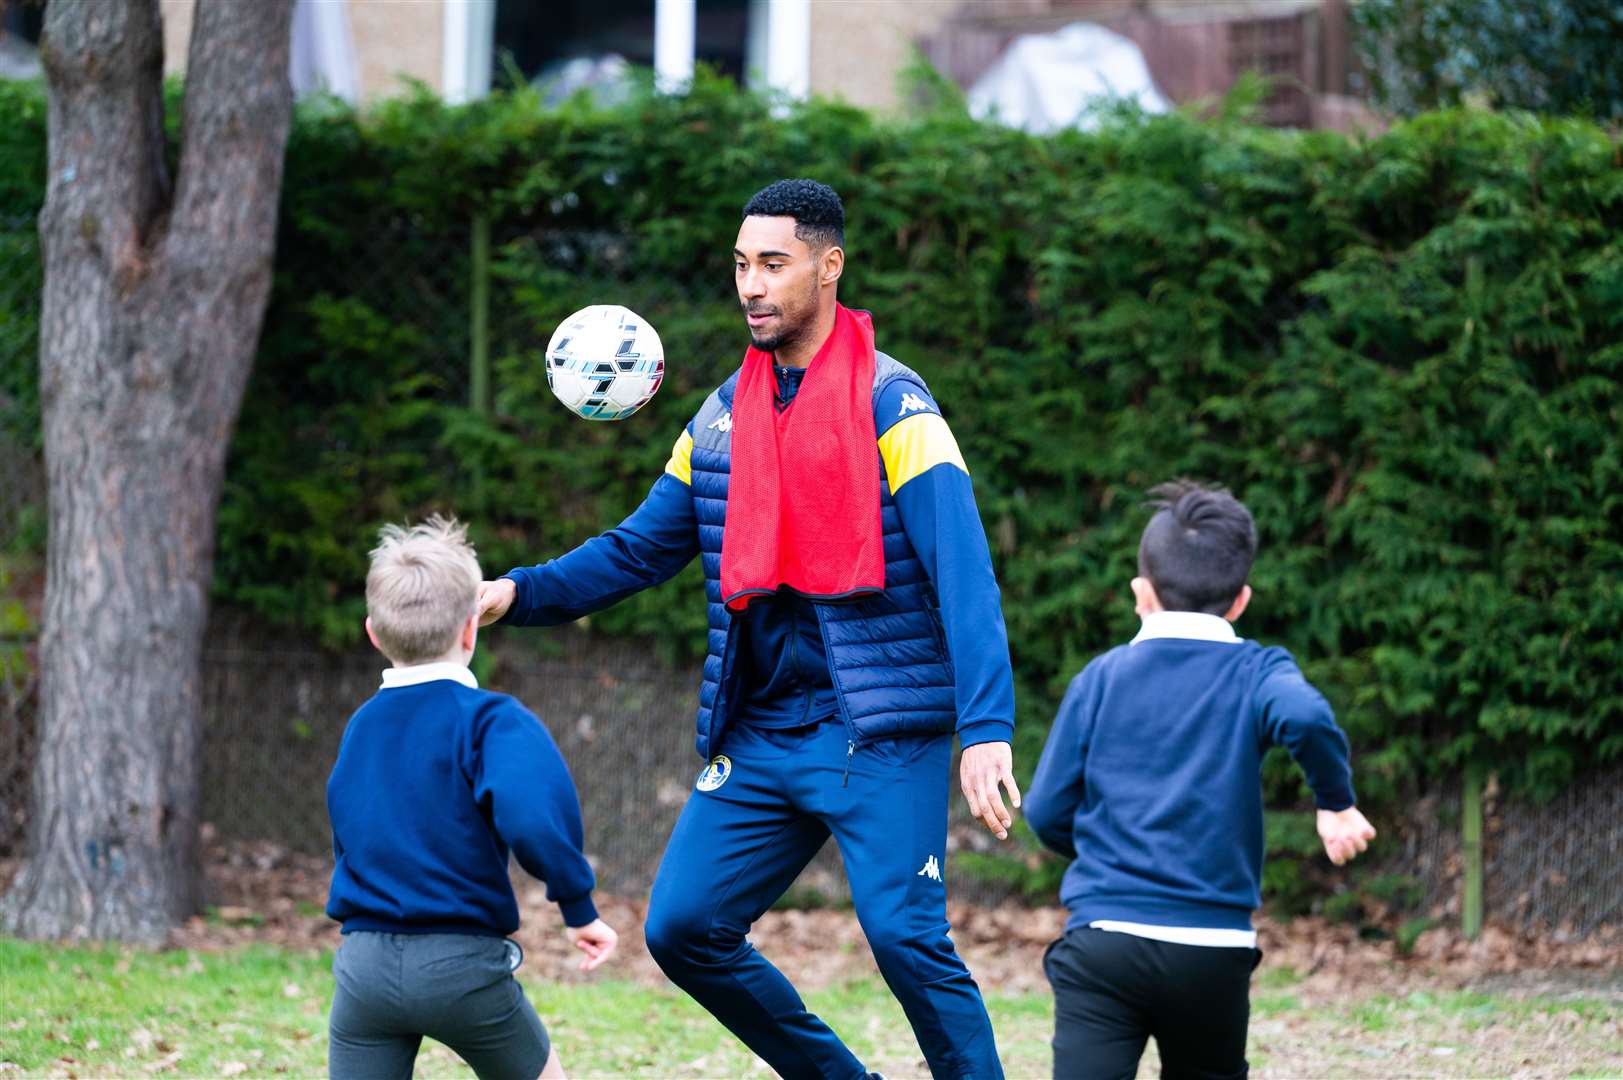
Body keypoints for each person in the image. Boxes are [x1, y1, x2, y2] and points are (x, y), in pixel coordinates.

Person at [477, 179, 1020, 1079]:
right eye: (740, 265)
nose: (751, 286)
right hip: (765, 732)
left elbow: (963, 573)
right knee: (682, 927)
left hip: (879, 733)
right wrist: (515, 591)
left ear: (827, 264)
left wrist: (987, 729)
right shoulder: (720, 418)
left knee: (904, 940)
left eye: (773, 263)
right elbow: (637, 550)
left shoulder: (895, 404)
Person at [1024, 481, 1377, 1080]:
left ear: (1141, 593)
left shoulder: (1100, 679)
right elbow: (1308, 717)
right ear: (1240, 601)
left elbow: (1044, 812)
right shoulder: (1257, 672)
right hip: (1210, 950)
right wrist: (1335, 803)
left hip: (1103, 939)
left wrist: (1108, 853)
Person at [325, 516, 618, 1080]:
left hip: (362, 969)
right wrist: (577, 907)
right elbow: (535, 819)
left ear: (373, 634)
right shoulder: (492, 722)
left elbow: (347, 821)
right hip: (460, 967)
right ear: (471, 629)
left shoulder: (361, 727)